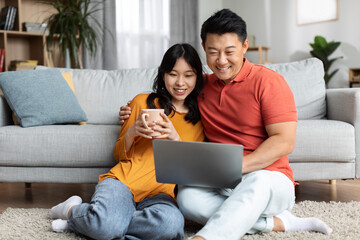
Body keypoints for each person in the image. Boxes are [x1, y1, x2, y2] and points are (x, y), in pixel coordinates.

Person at [119, 9, 333, 240]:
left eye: (229, 51)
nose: (221, 61)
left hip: (269, 178)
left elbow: (284, 141)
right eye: (213, 52)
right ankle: (277, 223)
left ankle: (206, 237)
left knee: (257, 182)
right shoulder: (200, 86)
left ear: (244, 47)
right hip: (218, 179)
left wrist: (240, 167)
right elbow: (171, 92)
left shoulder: (269, 82)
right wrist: (130, 110)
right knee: (187, 199)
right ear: (204, 48)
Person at [49, 43, 205, 240]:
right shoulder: (142, 102)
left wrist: (175, 139)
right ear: (163, 75)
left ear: (197, 77)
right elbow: (118, 154)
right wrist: (132, 131)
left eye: (188, 75)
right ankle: (73, 210)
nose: (180, 82)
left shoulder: (200, 120)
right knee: (110, 226)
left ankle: (94, 220)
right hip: (123, 183)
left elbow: (191, 170)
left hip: (162, 194)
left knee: (171, 226)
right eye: (173, 74)